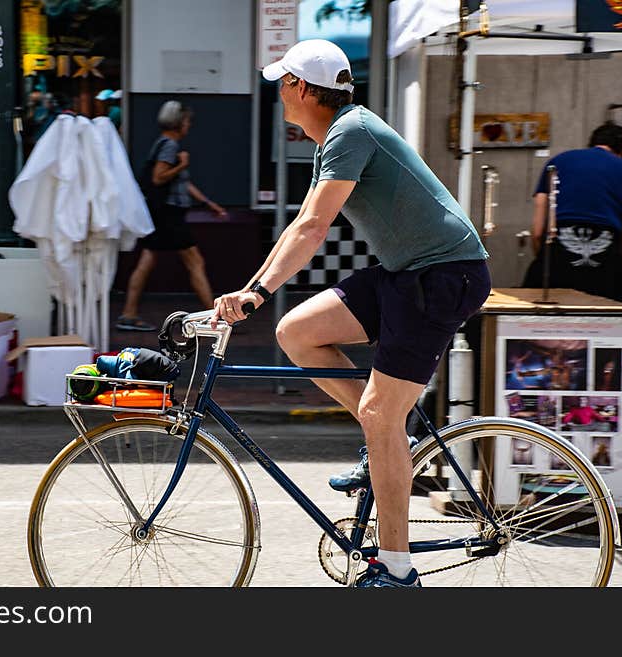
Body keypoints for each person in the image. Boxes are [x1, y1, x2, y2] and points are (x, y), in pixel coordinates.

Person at [210, 39, 491, 587]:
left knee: (380, 415)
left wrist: (257, 292)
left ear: (302, 88)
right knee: (297, 333)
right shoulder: (339, 134)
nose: (279, 95)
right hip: (404, 272)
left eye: (282, 84)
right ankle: (393, 444)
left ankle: (396, 568)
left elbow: (315, 228)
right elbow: (302, 225)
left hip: (442, 275)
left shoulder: (351, 132)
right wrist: (252, 291)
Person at [117, 100, 227, 331]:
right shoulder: (169, 146)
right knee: (195, 262)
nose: (189, 125)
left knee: (147, 261)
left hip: (162, 213)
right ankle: (214, 317)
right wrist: (181, 164)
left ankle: (128, 313)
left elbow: (183, 184)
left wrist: (209, 203)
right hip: (169, 215)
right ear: (178, 123)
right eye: (186, 121)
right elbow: (159, 177)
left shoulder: (163, 144)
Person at [522, 121, 622, 304]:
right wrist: (618, 269)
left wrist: (546, 260)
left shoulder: (556, 163)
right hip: (606, 261)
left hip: (557, 255)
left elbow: (538, 231)